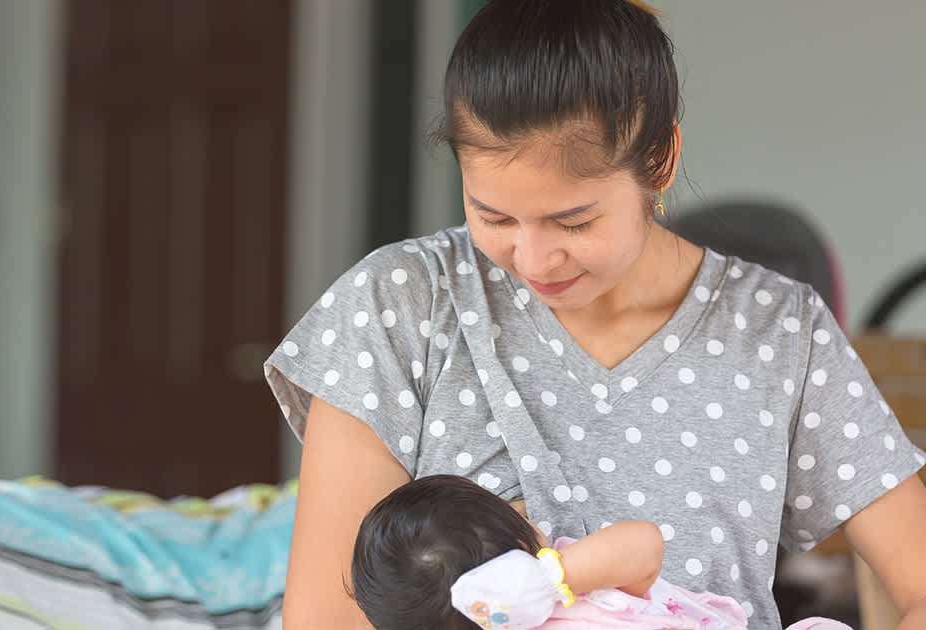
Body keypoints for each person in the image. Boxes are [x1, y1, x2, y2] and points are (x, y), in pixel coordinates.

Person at [263, 0, 926, 627]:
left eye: (572, 221)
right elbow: (332, 617)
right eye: (492, 215)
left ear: (661, 159)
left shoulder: (779, 331)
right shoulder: (399, 304)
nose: (532, 257)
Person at [350, 474, 851, 630]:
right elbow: (646, 542)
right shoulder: (572, 583)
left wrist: (551, 577)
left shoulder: (571, 584)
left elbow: (640, 548)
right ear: (523, 543)